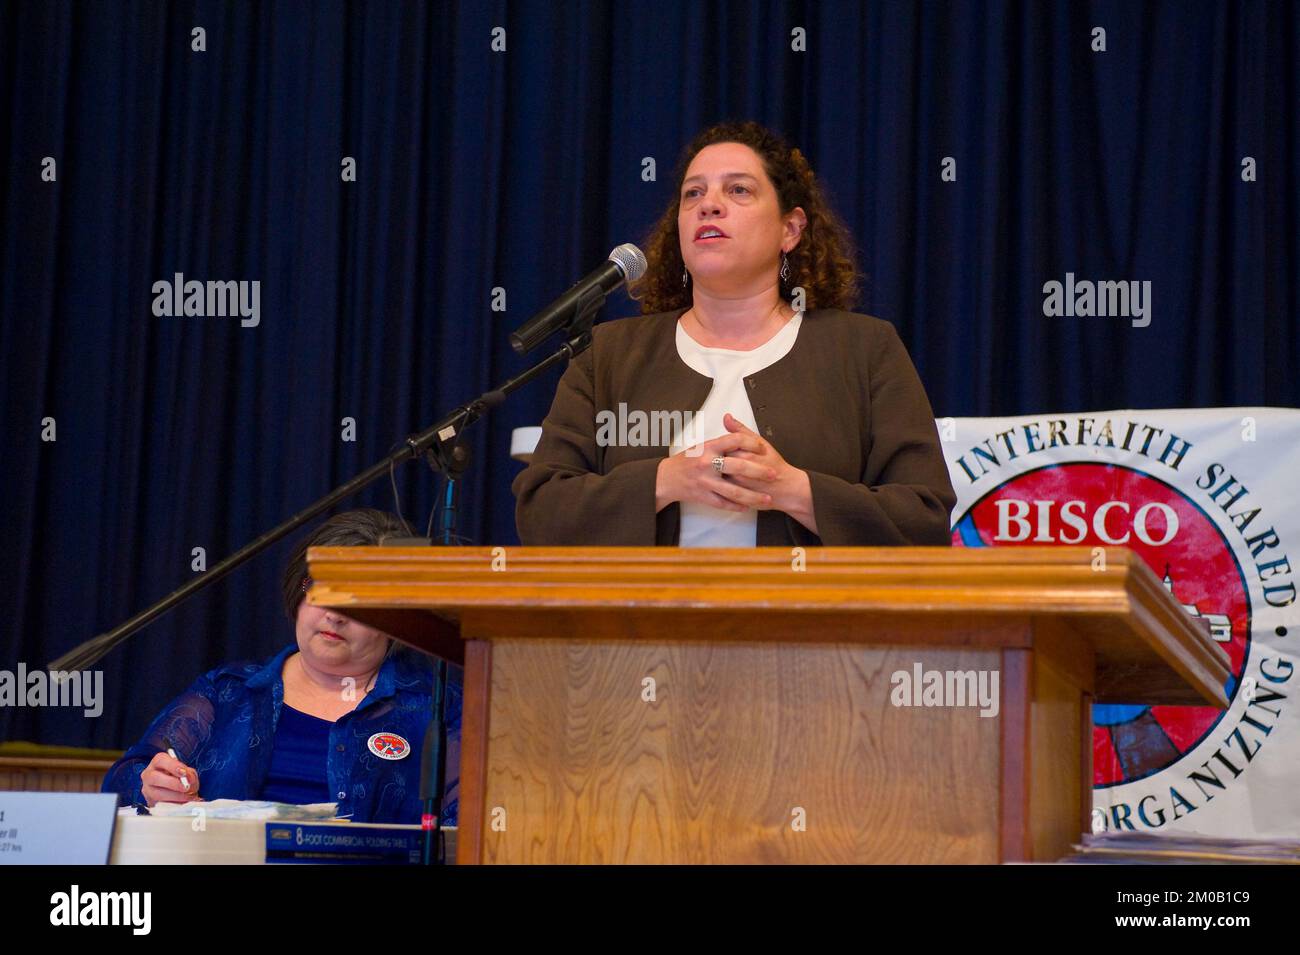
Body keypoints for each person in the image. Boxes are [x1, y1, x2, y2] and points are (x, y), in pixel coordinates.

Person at [513, 120, 956, 547]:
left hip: (807, 620)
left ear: (791, 229)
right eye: (693, 194)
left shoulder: (865, 349)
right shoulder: (609, 353)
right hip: (644, 621)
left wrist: (793, 490)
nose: (709, 204)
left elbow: (923, 518)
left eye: (738, 189)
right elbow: (542, 512)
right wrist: (664, 481)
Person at [102, 508, 461, 825]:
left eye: (360, 600)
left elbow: (466, 827)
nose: (335, 615)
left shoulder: (437, 707)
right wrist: (151, 786)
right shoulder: (226, 692)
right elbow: (122, 782)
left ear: (398, 617)